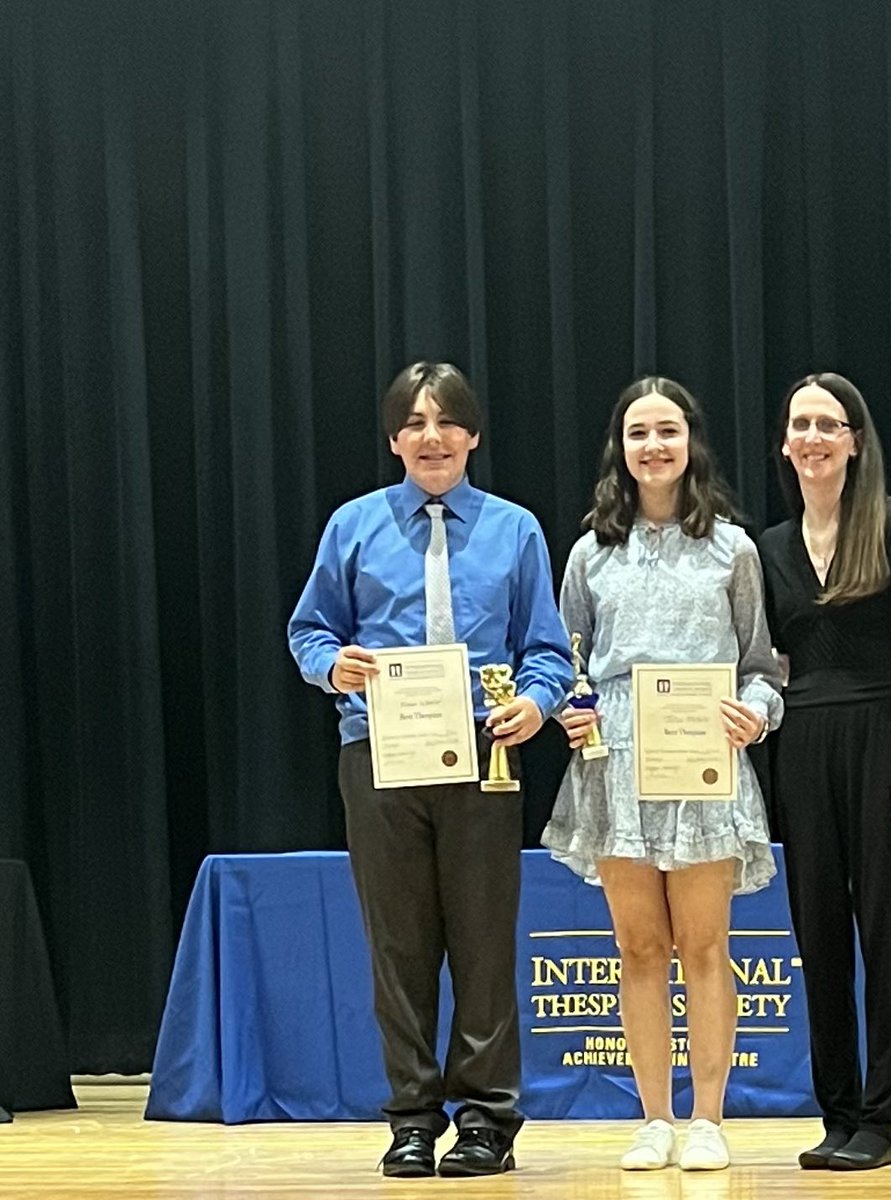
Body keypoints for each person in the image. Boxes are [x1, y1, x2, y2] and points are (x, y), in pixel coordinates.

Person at [288, 362, 573, 1179]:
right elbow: (310, 631)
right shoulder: (353, 526)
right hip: (378, 755)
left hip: (485, 754)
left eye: (447, 420)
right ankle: (411, 1116)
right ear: (393, 440)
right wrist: (328, 665)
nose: (431, 435)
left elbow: (546, 649)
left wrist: (537, 701)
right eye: (413, 422)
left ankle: (487, 1120)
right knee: (400, 948)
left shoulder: (515, 529)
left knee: (483, 945)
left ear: (473, 435)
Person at [542, 376, 784, 1172]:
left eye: (669, 432)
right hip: (615, 771)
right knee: (639, 948)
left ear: (692, 444)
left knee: (706, 946)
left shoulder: (733, 549)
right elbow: (564, 663)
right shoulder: (589, 552)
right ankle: (653, 1116)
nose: (654, 446)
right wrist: (570, 712)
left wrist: (755, 712)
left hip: (705, 765)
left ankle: (709, 1118)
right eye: (639, 432)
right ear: (621, 446)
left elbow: (762, 667)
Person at [757, 372, 891, 1171]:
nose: (811, 438)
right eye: (799, 424)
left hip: (885, 738)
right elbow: (773, 664)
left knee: (888, 939)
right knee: (819, 938)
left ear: (855, 440)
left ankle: (879, 1119)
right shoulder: (767, 547)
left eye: (827, 424)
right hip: (802, 747)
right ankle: (835, 1113)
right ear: (786, 444)